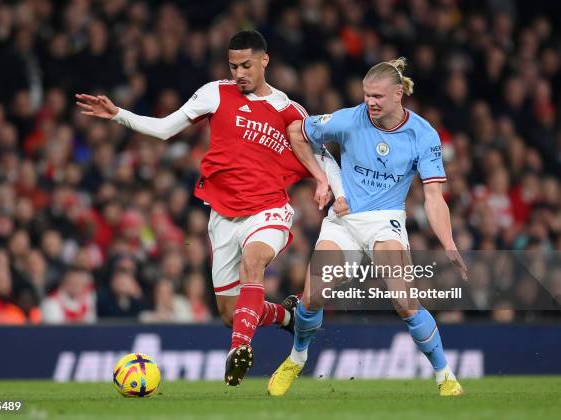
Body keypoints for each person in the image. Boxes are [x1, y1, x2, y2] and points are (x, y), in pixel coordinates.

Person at [76, 30, 344, 386]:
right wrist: (119, 115)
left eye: (246, 65)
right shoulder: (214, 93)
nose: (239, 73)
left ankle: (238, 351)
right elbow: (164, 129)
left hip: (268, 211)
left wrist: (337, 194)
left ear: (265, 61)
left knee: (254, 263)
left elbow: (323, 159)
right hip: (223, 217)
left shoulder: (289, 111)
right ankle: (286, 317)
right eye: (233, 66)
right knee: (231, 314)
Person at [268, 58, 468, 397]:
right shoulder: (348, 119)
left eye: (377, 96)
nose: (370, 102)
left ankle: (445, 375)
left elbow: (434, 197)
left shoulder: (423, 134)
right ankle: (296, 359)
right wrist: (322, 178)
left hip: (385, 221)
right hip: (343, 221)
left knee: (404, 301)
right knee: (312, 296)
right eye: (366, 95)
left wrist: (448, 242)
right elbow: (296, 133)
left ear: (397, 95)